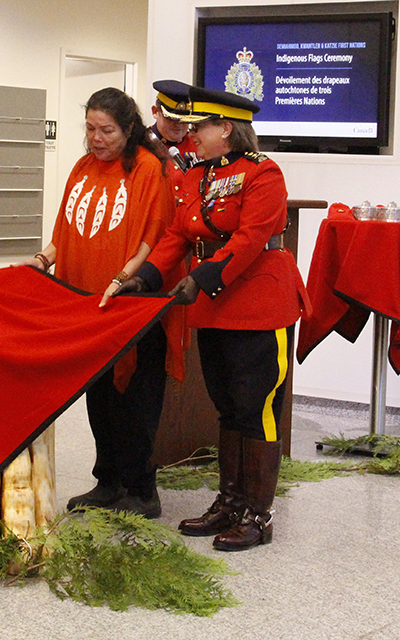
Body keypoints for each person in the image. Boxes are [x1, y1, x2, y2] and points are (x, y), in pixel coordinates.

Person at [115, 84, 310, 550]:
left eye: (199, 126)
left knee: (257, 408)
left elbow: (248, 239)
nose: (190, 133)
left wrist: (201, 279)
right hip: (217, 308)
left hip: (260, 304)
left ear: (226, 128)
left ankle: (258, 516)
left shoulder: (264, 173)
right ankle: (230, 501)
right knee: (228, 406)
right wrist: (145, 277)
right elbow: (177, 236)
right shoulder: (196, 175)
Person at [17, 87, 183, 518]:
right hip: (88, 306)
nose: (96, 137)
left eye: (106, 130)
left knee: (135, 398)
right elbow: (67, 232)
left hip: (132, 305)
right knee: (100, 396)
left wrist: (123, 280)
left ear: (128, 129)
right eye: (90, 128)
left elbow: (155, 238)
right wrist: (42, 260)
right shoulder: (81, 168)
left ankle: (142, 489)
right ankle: (107, 481)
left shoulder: (151, 169)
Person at [148, 80, 200, 189]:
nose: (178, 124)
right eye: (171, 118)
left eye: (184, 119)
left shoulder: (199, 145)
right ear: (155, 112)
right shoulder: (142, 143)